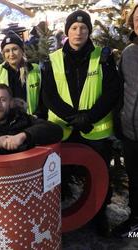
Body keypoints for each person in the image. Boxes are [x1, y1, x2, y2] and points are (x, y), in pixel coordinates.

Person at [42, 10, 121, 235]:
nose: (79, 32)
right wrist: (73, 118)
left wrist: (88, 117)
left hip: (94, 130)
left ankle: (99, 215)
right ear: (67, 31)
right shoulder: (53, 59)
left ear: (89, 31)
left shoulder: (102, 57)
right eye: (74, 28)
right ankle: (54, 218)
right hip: (62, 129)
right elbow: (48, 95)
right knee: (56, 176)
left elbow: (112, 91)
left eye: (84, 28)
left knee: (99, 176)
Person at [112, 4, 138, 238]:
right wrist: (119, 119)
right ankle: (135, 221)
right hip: (131, 131)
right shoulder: (129, 53)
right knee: (135, 178)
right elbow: (121, 89)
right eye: (137, 19)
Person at [0, 31, 43, 117]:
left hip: (32, 120)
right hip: (6, 122)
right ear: (3, 54)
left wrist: (37, 116)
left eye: (15, 49)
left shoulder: (35, 70)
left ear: (22, 50)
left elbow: (43, 98)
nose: (11, 54)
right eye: (7, 51)